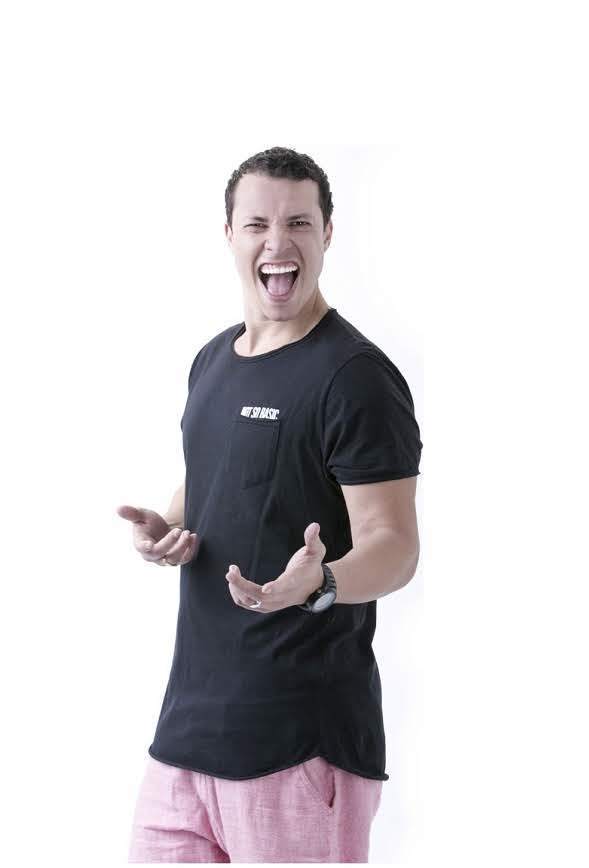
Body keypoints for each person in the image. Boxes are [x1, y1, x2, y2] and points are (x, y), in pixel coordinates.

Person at [118, 146, 423, 863]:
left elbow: (394, 544)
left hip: (297, 743)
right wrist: (171, 525)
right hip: (186, 737)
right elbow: (216, 478)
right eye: (257, 224)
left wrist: (323, 581)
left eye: (298, 223)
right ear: (229, 234)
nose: (277, 242)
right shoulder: (212, 360)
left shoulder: (355, 377)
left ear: (328, 234)